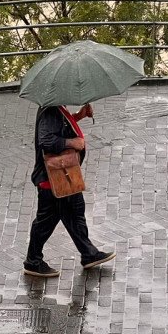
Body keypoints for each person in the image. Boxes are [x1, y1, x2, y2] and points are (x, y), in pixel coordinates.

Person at [24, 102, 115, 277]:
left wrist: (79, 116)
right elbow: (46, 140)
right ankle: (33, 261)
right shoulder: (50, 109)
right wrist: (73, 142)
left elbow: (59, 127)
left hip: (64, 176)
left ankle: (89, 254)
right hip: (53, 179)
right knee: (46, 221)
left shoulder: (56, 106)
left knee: (75, 211)